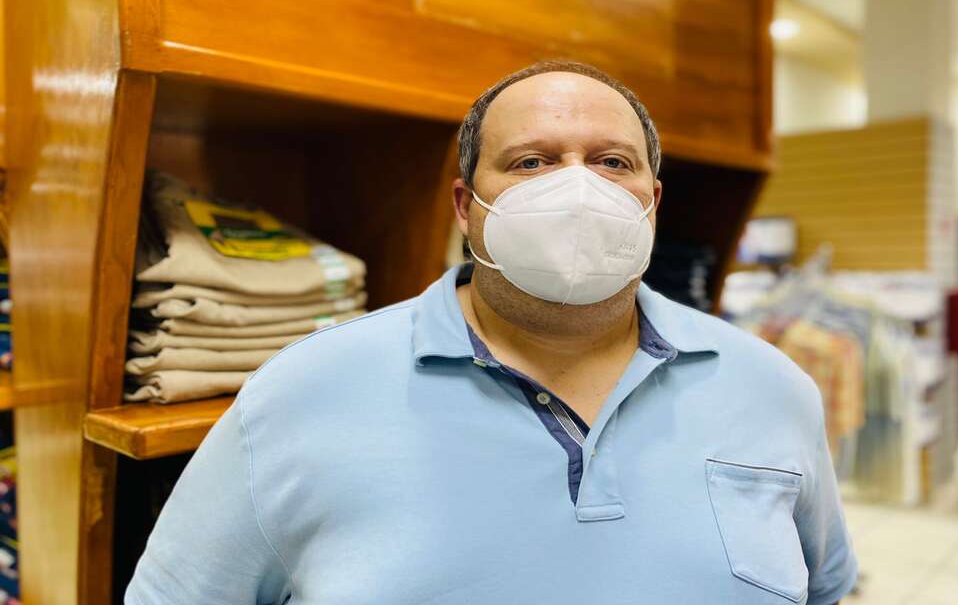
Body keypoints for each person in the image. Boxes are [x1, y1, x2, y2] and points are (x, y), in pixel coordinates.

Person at [126, 61, 857, 604]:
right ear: (465, 207)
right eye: (531, 162)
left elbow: (822, 588)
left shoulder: (772, 388)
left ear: (652, 201)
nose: (579, 190)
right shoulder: (298, 394)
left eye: (612, 163)